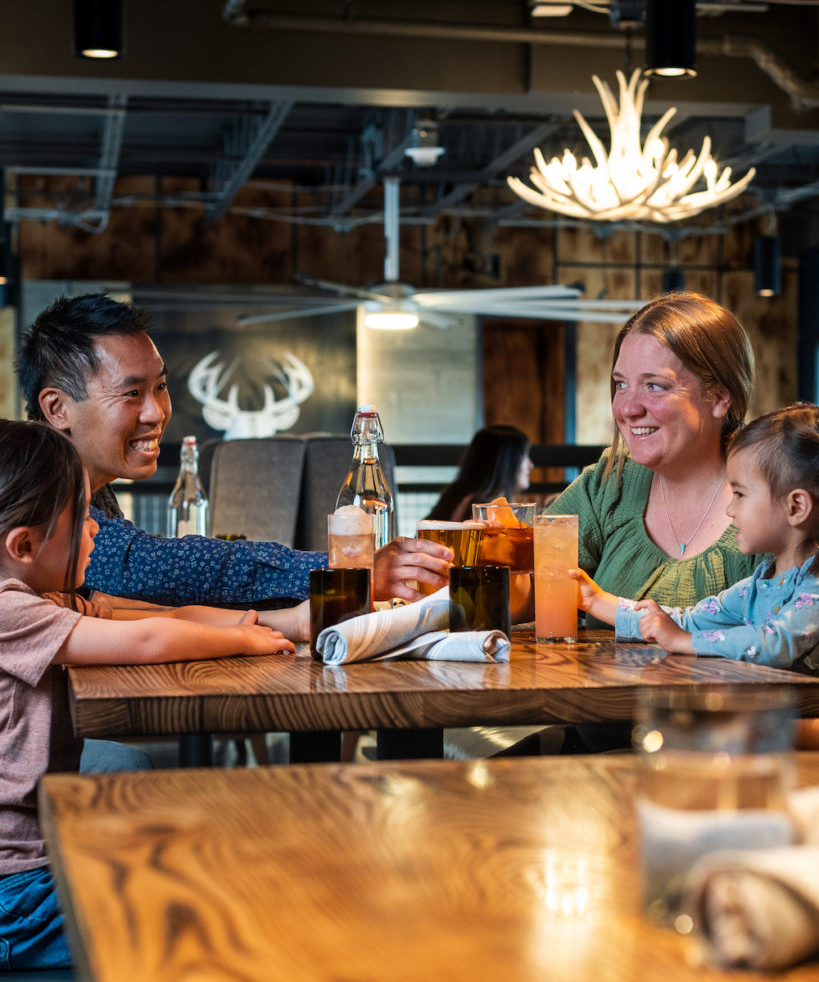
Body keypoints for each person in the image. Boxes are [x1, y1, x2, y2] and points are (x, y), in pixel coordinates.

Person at [0, 420, 298, 971]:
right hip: (17, 897)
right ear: (23, 545)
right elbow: (148, 638)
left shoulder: (37, 599)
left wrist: (257, 622)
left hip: (35, 865)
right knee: (204, 908)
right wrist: (238, 641)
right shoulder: (10, 611)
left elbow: (149, 614)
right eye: (83, 517)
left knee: (192, 850)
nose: (96, 530)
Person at [16, 293, 452, 615]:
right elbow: (156, 568)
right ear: (57, 408)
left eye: (161, 387)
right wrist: (345, 573)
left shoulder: (79, 484)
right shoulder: (31, 496)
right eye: (131, 393)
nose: (156, 412)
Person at [548, 291, 759, 623]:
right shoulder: (609, 482)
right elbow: (532, 586)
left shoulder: (776, 496)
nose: (628, 408)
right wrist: (457, 579)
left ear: (720, 397)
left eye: (655, 386)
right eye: (621, 385)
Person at [570, 404, 819, 669]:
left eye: (740, 494)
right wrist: (596, 601)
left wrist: (684, 642)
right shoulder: (757, 585)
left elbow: (775, 643)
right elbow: (686, 621)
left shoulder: (814, 590)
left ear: (796, 507)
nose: (729, 509)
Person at [427, 424, 533, 521]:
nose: (531, 465)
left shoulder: (455, 497)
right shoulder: (489, 509)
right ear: (508, 461)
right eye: (525, 456)